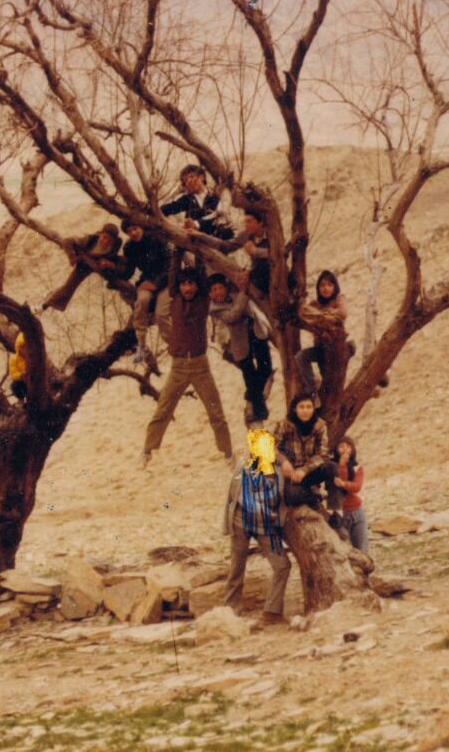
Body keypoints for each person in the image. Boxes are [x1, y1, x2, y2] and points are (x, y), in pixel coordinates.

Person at [142, 254, 234, 469]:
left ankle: (228, 453)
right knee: (163, 409)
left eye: (191, 284)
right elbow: (173, 276)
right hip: (178, 367)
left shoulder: (203, 301)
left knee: (216, 413)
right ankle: (147, 450)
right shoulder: (175, 300)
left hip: (201, 367)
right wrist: (176, 251)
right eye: (184, 284)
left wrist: (195, 250)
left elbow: (202, 277)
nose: (187, 288)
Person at [223, 428, 290, 625]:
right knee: (237, 566)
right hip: (241, 522)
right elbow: (245, 499)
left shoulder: (277, 469)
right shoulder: (245, 466)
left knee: (282, 565)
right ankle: (230, 612)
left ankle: (272, 611)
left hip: (265, 526)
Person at [207, 272, 273, 425]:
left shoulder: (235, 293)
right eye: (214, 290)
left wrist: (242, 292)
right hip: (239, 343)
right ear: (210, 294)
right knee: (249, 375)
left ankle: (251, 394)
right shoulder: (214, 308)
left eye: (220, 288)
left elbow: (241, 306)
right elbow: (233, 316)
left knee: (265, 368)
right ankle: (259, 409)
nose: (218, 292)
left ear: (225, 288)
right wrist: (243, 294)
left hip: (255, 332)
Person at [272, 392, 342, 529]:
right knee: (291, 497)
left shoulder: (320, 425)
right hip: (291, 473)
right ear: (295, 409)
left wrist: (304, 470)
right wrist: (284, 461)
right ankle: (314, 496)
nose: (305, 411)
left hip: (310, 470)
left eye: (309, 407)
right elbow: (272, 447)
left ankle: (337, 511)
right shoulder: (284, 424)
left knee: (332, 467)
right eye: (301, 407)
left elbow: (322, 453)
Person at [118, 219, 172, 363]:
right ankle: (141, 344)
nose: (133, 233)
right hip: (147, 281)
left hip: (166, 281)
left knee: (161, 314)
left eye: (135, 228)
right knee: (141, 303)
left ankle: (174, 344)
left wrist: (156, 284)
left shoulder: (157, 239)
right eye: (129, 232)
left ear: (141, 226)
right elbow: (128, 271)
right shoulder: (129, 247)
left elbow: (170, 264)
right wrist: (110, 270)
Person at [42, 224, 123, 312]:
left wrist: (109, 264)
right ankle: (49, 303)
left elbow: (114, 259)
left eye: (110, 241)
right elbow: (67, 241)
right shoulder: (89, 240)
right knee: (70, 285)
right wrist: (72, 257)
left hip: (98, 265)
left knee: (117, 271)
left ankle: (51, 300)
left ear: (114, 242)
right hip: (84, 263)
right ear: (100, 234)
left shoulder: (114, 248)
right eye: (104, 237)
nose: (105, 242)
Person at [295, 270, 349, 401]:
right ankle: (312, 394)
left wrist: (320, 316)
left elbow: (342, 313)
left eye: (330, 285)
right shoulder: (315, 304)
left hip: (335, 349)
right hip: (320, 347)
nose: (326, 288)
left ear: (335, 286)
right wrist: (328, 316)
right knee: (301, 357)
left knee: (331, 382)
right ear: (318, 288)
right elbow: (304, 313)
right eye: (322, 285)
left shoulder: (339, 298)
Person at [160, 164, 234, 241]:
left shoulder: (215, 195)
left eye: (191, 176)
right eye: (185, 181)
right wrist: (153, 209)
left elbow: (219, 215)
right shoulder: (187, 199)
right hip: (193, 241)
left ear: (202, 177)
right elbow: (171, 207)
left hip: (215, 240)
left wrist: (196, 224)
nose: (189, 181)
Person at [333, 436, 368, 554]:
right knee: (346, 552)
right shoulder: (331, 466)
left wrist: (344, 484)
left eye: (348, 446)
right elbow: (338, 486)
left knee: (362, 550)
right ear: (336, 449)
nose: (345, 449)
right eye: (341, 446)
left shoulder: (357, 466)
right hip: (340, 514)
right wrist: (342, 465)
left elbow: (356, 487)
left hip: (357, 512)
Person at [233, 208, 271, 297]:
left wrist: (256, 251)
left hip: (274, 277)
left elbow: (281, 254)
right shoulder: (246, 234)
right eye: (245, 222)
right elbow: (225, 245)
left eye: (249, 222)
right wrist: (201, 235)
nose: (246, 225)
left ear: (260, 222)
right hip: (258, 279)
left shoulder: (272, 234)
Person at [8, 331, 27, 401]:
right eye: (23, 347)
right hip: (22, 382)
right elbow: (13, 374)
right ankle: (21, 400)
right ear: (18, 348)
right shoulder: (14, 359)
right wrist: (21, 375)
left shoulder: (32, 358)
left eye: (26, 347)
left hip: (33, 381)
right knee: (14, 385)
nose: (25, 349)